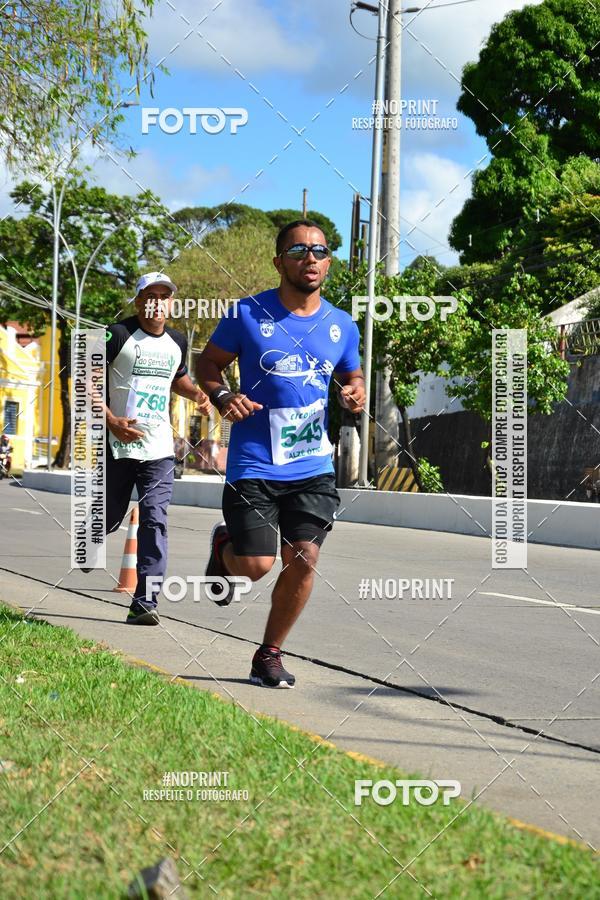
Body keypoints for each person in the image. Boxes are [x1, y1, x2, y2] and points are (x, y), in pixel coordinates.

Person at [196, 220, 365, 687]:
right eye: (298, 250)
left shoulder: (341, 325)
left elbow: (353, 376)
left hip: (312, 465)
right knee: (255, 567)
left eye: (319, 251)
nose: (310, 258)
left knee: (304, 558)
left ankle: (268, 654)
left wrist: (354, 394)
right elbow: (207, 364)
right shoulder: (246, 315)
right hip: (253, 462)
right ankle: (223, 548)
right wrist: (223, 395)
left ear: (328, 262)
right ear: (279, 262)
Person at [101, 271, 211, 624]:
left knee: (155, 519)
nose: (157, 302)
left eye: (164, 296)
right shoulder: (117, 334)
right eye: (151, 295)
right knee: (107, 518)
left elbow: (177, 377)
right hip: (118, 447)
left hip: (159, 448)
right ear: (138, 300)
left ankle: (145, 601)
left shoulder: (176, 341)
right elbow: (85, 379)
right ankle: (91, 531)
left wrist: (197, 394)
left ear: (171, 303)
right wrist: (111, 421)